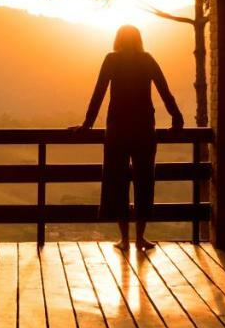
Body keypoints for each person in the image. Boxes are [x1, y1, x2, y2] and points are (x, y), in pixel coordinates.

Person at [72, 24, 183, 251]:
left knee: (116, 182)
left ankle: (124, 240)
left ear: (118, 39)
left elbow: (99, 92)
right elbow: (164, 90)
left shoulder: (111, 59)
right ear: (139, 39)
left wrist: (87, 124)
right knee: (144, 182)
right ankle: (140, 238)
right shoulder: (147, 59)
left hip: (117, 130)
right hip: (144, 129)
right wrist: (177, 118)